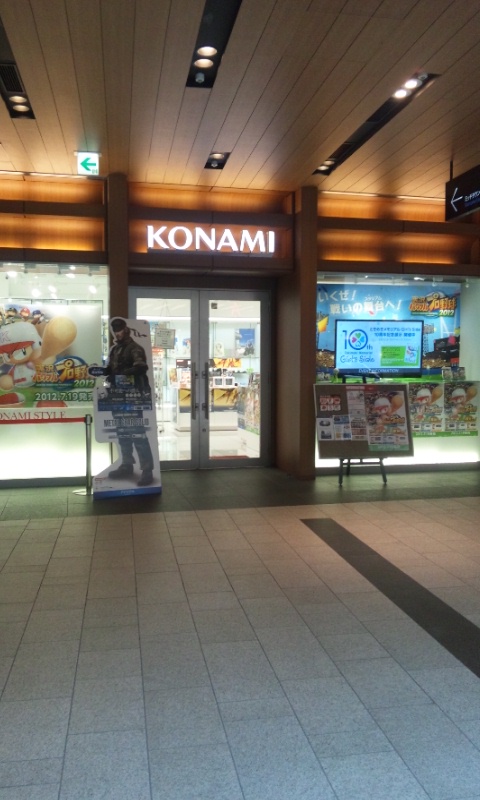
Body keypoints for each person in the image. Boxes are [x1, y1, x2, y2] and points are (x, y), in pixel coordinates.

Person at [104, 317, 155, 487]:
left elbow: (141, 367)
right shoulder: (115, 350)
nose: (117, 334)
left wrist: (121, 375)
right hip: (118, 396)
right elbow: (111, 369)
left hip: (133, 397)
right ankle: (127, 464)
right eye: (115, 331)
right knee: (122, 431)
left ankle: (147, 470)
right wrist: (102, 371)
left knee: (137, 432)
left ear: (126, 330)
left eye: (119, 330)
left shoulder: (135, 348)